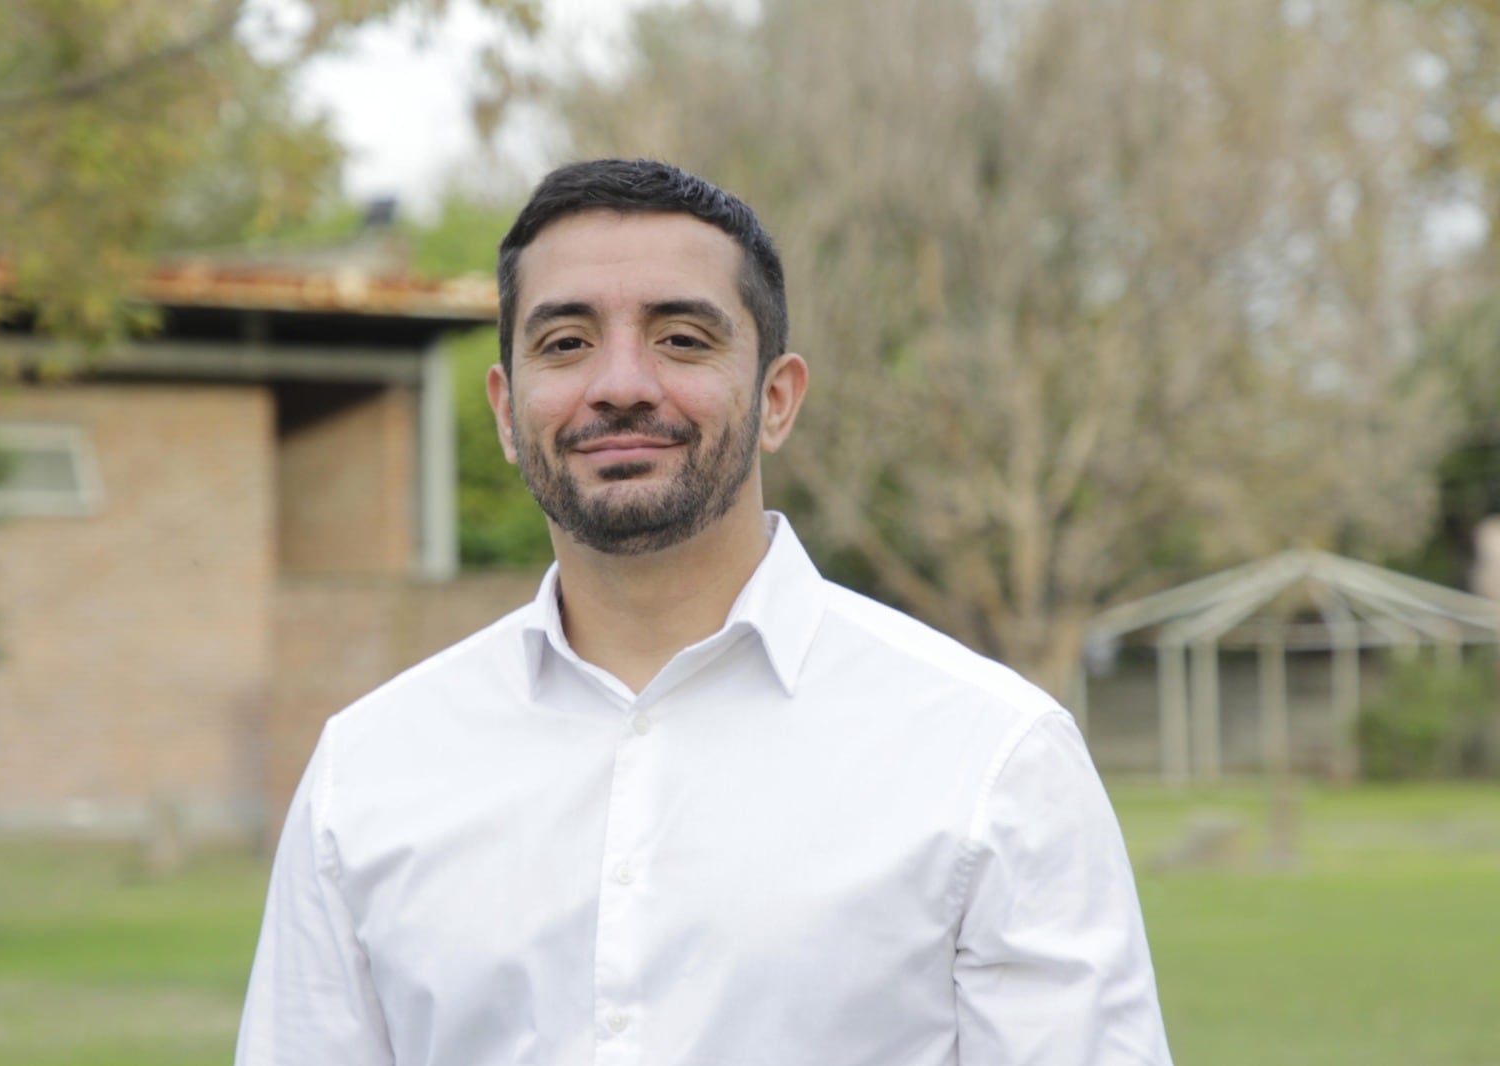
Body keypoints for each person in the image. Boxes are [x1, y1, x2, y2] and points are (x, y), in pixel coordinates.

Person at [236, 158, 1173, 1065]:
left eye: (682, 338)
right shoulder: (367, 774)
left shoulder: (994, 759)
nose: (621, 383)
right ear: (506, 413)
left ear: (776, 399)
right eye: (565, 343)